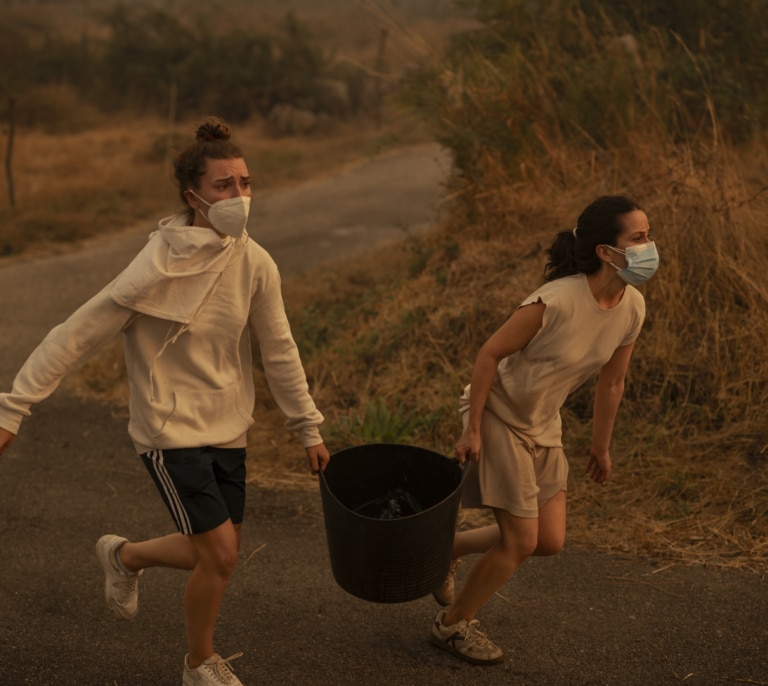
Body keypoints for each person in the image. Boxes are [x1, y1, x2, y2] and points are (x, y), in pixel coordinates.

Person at [0, 116, 330, 686]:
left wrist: (309, 427)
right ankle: (199, 662)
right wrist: (13, 408)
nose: (239, 196)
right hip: (169, 430)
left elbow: (280, 350)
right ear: (193, 195)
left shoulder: (255, 262)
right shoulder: (154, 268)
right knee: (221, 555)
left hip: (229, 426)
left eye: (246, 183)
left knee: (216, 553)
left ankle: (125, 556)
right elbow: (74, 334)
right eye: (225, 185)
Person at [429, 195, 658, 665]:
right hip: (498, 415)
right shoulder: (555, 300)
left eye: (648, 236)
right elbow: (489, 354)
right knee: (521, 540)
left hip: (541, 424)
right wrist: (472, 428)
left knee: (549, 541)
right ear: (604, 251)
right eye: (637, 238)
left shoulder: (632, 306)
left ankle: (444, 548)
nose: (649, 246)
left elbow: (613, 381)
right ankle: (452, 626)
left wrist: (601, 447)